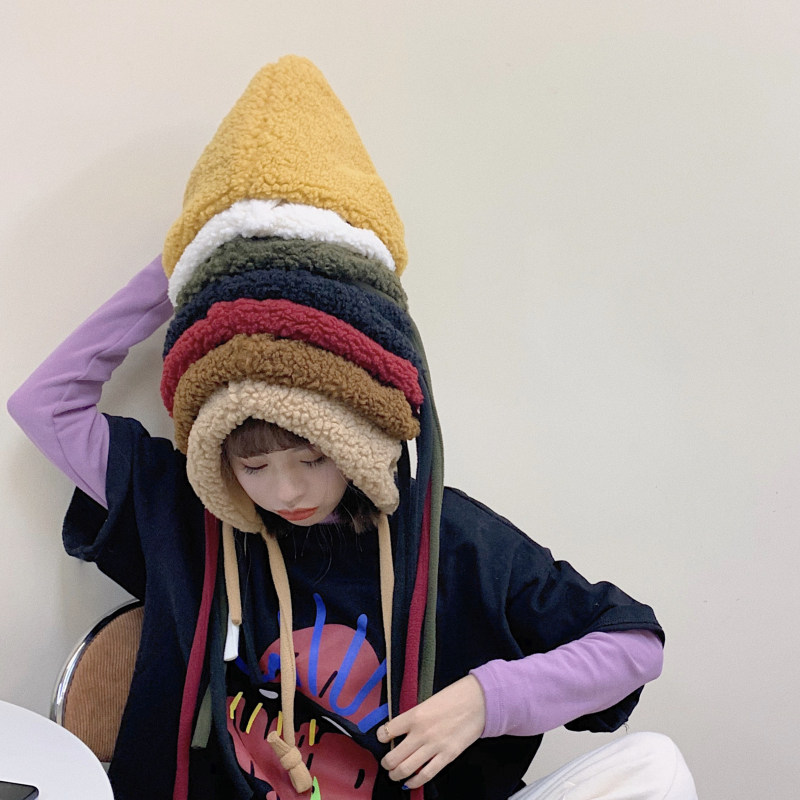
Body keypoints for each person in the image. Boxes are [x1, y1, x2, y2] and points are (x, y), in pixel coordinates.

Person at [7, 56, 697, 800]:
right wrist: (197, 262)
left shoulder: (448, 541)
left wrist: (484, 701)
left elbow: (632, 645)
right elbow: (45, 405)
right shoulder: (184, 514)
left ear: (357, 433)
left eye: (312, 456)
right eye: (253, 466)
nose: (287, 491)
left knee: (653, 766)